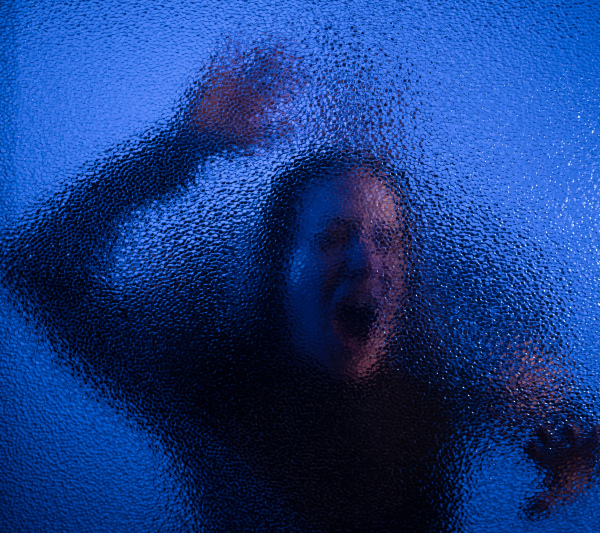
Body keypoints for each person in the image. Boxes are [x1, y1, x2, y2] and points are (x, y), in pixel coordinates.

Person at [2, 40, 598, 530]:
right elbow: (34, 266)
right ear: (278, 270)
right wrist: (181, 148)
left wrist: (565, 429)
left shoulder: (438, 375)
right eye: (335, 236)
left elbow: (539, 400)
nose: (367, 261)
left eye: (387, 241)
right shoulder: (208, 379)